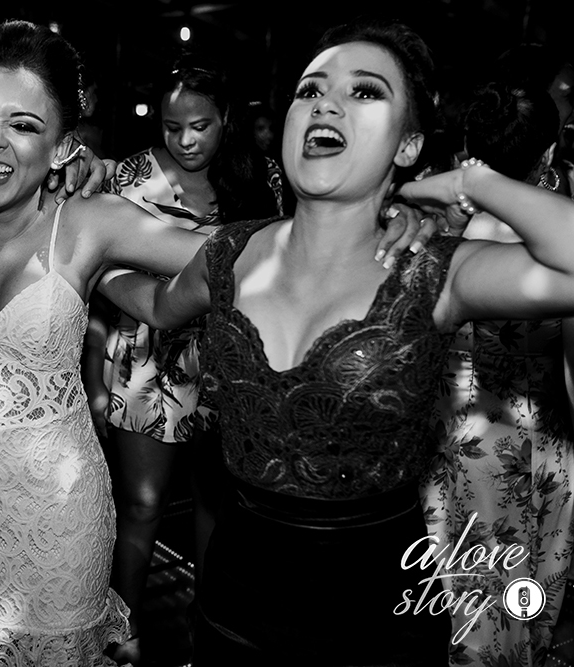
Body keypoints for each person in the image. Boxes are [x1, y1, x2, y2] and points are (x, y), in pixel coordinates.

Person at [97, 18, 574, 665]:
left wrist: (471, 182)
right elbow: (153, 298)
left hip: (379, 625)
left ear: (408, 144)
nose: (326, 103)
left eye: (365, 92)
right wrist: (81, 261)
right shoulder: (230, 253)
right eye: (310, 89)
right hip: (233, 610)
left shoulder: (435, 270)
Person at [0, 19, 226, 666]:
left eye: (25, 124)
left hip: (60, 526)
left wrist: (345, 220)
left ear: (62, 145)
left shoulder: (83, 223)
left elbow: (223, 257)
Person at [82, 54, 284, 665]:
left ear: (226, 118)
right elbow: (94, 282)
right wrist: (94, 372)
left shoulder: (262, 178)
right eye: (173, 127)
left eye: (201, 125)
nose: (187, 139)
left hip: (229, 360)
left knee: (217, 505)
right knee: (141, 504)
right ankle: (121, 634)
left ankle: (209, 633)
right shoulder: (127, 180)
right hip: (148, 359)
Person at [423, 81, 574, 666]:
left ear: (467, 147)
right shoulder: (554, 247)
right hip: (545, 445)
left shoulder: (434, 231)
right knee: (528, 611)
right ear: (545, 156)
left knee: (470, 620)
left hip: (458, 443)